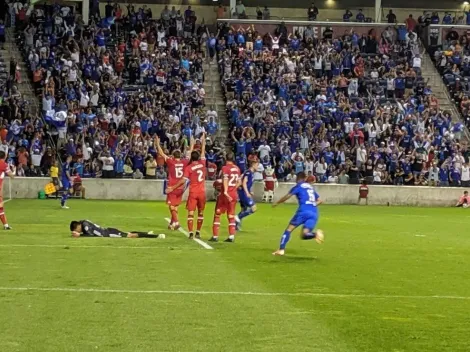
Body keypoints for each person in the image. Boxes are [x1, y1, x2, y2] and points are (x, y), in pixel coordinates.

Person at [272, 172, 324, 256]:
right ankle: (315, 234)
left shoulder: (298, 186)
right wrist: (311, 204)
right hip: (314, 213)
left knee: (288, 230)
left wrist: (277, 203)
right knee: (304, 235)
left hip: (303, 211)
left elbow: (287, 196)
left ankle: (281, 250)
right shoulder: (310, 187)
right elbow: (320, 200)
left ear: (298, 178)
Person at [167, 133, 207, 240]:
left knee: (190, 213)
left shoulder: (189, 168)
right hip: (202, 192)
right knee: (201, 213)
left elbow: (183, 181)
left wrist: (173, 187)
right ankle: (198, 232)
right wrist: (203, 140)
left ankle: (190, 233)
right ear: (199, 157)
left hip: (193, 193)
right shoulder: (202, 163)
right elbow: (203, 150)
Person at [155, 136, 194, 230]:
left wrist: (157, 143)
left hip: (172, 187)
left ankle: (176, 222)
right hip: (181, 187)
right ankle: (172, 223)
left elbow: (161, 153)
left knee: (171, 206)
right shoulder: (184, 161)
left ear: (173, 155)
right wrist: (192, 143)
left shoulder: (170, 161)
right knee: (175, 206)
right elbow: (190, 153)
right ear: (180, 156)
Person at [210, 152, 240, 242]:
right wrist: (234, 189)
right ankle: (231, 236)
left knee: (217, 214)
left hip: (225, 195)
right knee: (231, 215)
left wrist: (226, 191)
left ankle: (215, 236)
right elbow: (239, 181)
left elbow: (225, 180)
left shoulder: (225, 168)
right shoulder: (237, 168)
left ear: (225, 159)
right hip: (234, 194)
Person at [70, 220, 164, 238]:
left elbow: (90, 235)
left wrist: (80, 235)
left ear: (78, 226)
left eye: (76, 230)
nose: (77, 232)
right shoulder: (84, 222)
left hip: (109, 234)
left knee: (131, 236)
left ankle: (156, 236)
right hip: (109, 231)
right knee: (128, 233)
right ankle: (148, 233)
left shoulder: (85, 225)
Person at [235, 160, 258, 230]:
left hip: (242, 192)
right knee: (254, 208)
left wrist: (250, 191)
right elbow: (244, 183)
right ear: (253, 165)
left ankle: (236, 226)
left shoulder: (249, 172)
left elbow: (246, 184)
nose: (258, 167)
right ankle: (237, 217)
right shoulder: (248, 172)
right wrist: (247, 192)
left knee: (243, 209)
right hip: (243, 193)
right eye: (257, 165)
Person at [0, 151, 15, 230]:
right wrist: (14, 170)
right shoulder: (3, 164)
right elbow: (12, 176)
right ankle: (6, 225)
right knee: (0, 208)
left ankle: (6, 225)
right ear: (4, 157)